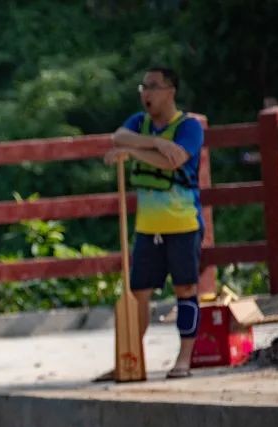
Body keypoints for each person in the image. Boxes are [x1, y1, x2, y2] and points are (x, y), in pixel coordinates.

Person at [102, 66, 205, 379]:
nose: (146, 93)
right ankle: (130, 357)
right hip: (148, 226)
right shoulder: (140, 123)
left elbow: (174, 161)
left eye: (153, 87)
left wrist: (135, 151)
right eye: (143, 87)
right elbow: (117, 136)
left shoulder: (189, 127)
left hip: (183, 223)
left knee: (186, 288)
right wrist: (156, 143)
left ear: (170, 91)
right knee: (139, 293)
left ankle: (184, 359)